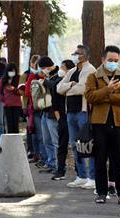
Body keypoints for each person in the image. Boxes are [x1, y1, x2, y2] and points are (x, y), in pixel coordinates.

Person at [85, 45, 120, 204]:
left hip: (118, 123)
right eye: (110, 60)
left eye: (116, 60)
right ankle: (101, 192)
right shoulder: (93, 76)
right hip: (99, 123)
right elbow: (90, 97)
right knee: (100, 159)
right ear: (103, 59)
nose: (113, 63)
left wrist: (107, 96)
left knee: (119, 160)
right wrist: (109, 89)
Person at [57, 44, 96, 189]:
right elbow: (58, 88)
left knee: (88, 144)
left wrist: (68, 87)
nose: (74, 55)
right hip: (70, 112)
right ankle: (81, 175)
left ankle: (92, 178)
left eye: (77, 53)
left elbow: (82, 89)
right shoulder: (72, 70)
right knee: (74, 145)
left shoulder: (90, 69)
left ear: (84, 55)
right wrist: (70, 85)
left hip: (83, 112)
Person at [36, 56, 61, 174]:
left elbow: (56, 87)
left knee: (55, 140)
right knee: (46, 140)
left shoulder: (59, 74)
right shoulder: (47, 75)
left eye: (43, 68)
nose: (42, 70)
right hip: (45, 111)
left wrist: (45, 82)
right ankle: (50, 162)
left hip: (53, 111)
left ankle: (58, 164)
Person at [52, 59, 75, 180]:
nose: (60, 70)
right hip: (63, 117)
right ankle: (60, 170)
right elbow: (54, 103)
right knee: (62, 145)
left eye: (63, 67)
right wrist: (59, 119)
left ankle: (80, 172)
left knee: (77, 145)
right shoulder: (58, 83)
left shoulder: (75, 82)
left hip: (74, 116)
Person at [25, 55, 47, 165]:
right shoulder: (32, 76)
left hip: (45, 108)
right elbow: (27, 92)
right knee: (34, 133)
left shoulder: (47, 78)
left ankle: (44, 157)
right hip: (34, 109)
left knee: (42, 135)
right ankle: (36, 154)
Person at [0, 63, 22, 133]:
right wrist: (3, 99)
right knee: (9, 123)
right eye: (10, 71)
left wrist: (14, 89)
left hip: (17, 104)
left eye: (13, 71)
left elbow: (21, 92)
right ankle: (10, 139)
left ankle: (16, 139)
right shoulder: (3, 80)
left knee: (15, 123)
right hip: (7, 105)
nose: (12, 72)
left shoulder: (19, 78)